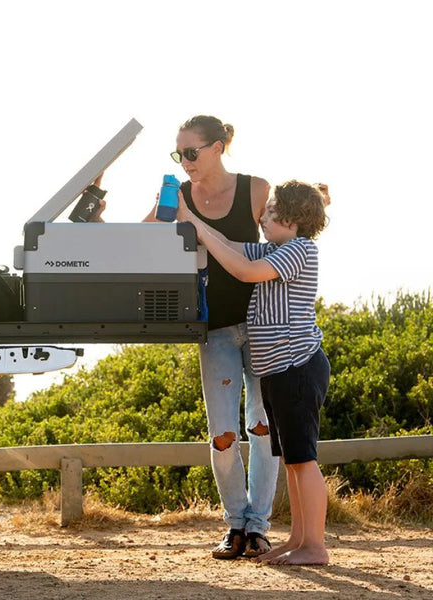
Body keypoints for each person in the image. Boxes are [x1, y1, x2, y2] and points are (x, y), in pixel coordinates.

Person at [179, 180, 330, 565]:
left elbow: (244, 271)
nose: (261, 217)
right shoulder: (277, 248)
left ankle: (315, 546)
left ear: (294, 220)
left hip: (297, 368)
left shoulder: (299, 251)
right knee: (292, 462)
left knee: (303, 460)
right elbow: (228, 249)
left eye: (271, 212)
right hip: (278, 373)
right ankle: (298, 539)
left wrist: (199, 229)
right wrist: (193, 221)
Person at [153, 116, 280, 559]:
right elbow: (142, 241)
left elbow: (288, 236)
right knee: (222, 434)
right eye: (179, 154)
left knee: (264, 429)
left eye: (191, 152)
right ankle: (234, 524)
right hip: (214, 329)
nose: (185, 161)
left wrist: (315, 200)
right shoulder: (178, 195)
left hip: (265, 327)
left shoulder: (257, 190)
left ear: (218, 147)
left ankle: (259, 527)